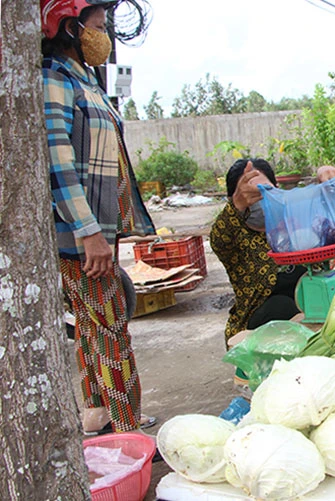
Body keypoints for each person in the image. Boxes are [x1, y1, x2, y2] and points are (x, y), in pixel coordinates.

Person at [41, 0, 157, 434]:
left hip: (101, 228)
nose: (103, 35)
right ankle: (129, 429)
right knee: (111, 329)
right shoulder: (53, 77)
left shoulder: (85, 78)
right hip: (81, 234)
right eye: (98, 25)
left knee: (93, 326)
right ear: (71, 29)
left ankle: (97, 411)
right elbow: (59, 163)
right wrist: (87, 232)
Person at [210, 159, 335, 349]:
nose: (260, 198)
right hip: (261, 322)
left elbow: (327, 218)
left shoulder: (295, 223)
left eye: (265, 191)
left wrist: (325, 178)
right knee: (280, 305)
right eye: (251, 194)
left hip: (311, 309)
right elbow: (218, 238)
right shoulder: (234, 236)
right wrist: (236, 207)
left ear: (276, 189)